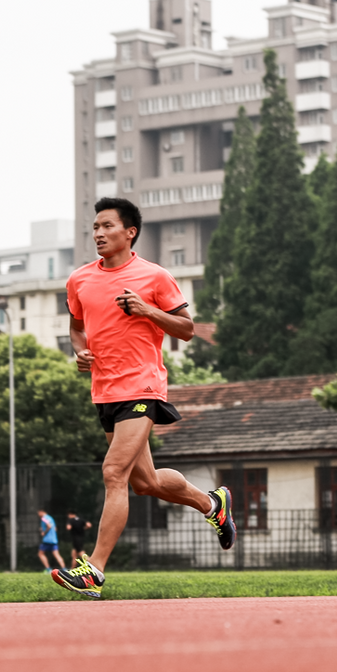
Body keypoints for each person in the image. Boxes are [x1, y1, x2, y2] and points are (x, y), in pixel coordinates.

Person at [51, 196, 235, 600]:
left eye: (107, 226)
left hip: (142, 386)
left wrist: (148, 311)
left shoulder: (154, 277)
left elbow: (187, 328)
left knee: (113, 473)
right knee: (145, 482)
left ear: (129, 232)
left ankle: (94, 570)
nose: (98, 234)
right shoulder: (79, 280)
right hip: (105, 391)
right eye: (95, 227)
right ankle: (212, 505)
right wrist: (79, 351)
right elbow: (77, 327)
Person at [37, 509, 65, 573]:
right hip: (54, 540)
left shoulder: (44, 518)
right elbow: (55, 528)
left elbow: (49, 526)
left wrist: (44, 532)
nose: (38, 515)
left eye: (38, 513)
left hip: (47, 540)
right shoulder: (51, 518)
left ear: (41, 512)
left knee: (40, 554)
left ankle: (48, 569)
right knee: (57, 555)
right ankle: (64, 568)